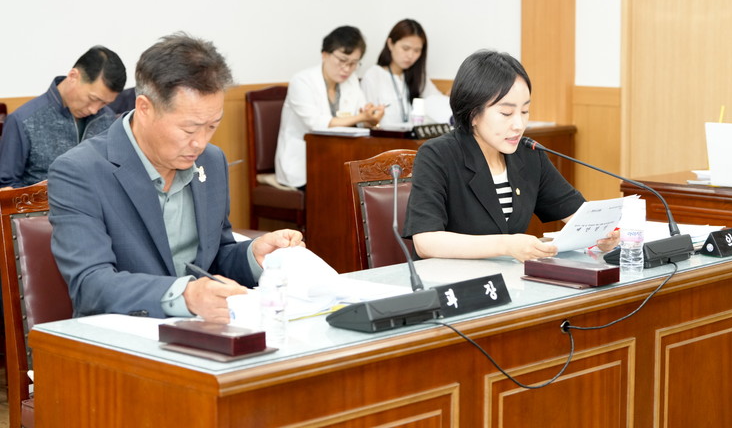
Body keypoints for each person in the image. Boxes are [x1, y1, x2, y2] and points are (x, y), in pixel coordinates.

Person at [49, 33, 304, 322]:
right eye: (189, 129)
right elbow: (91, 285)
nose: (200, 142)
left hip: (203, 330)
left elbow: (215, 257)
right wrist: (185, 296)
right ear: (145, 108)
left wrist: (253, 256)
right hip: (122, 335)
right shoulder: (79, 171)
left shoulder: (211, 161)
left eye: (212, 126)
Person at [403, 49, 619, 261]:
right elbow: (426, 242)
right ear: (473, 114)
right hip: (450, 280)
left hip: (509, 278)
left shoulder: (528, 154)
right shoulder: (437, 155)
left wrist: (602, 235)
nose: (519, 124)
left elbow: (578, 216)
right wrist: (505, 245)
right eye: (506, 113)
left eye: (524, 111)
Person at [275, 25, 385, 188]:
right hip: (303, 165)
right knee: (342, 190)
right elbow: (317, 124)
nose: (347, 68)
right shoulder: (302, 81)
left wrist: (371, 117)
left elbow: (362, 119)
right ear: (325, 54)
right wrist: (361, 117)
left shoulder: (351, 81)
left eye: (353, 63)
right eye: (342, 61)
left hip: (339, 160)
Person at [0, 46, 126, 188]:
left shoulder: (108, 120)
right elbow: (7, 185)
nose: (94, 109)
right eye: (92, 98)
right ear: (73, 76)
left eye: (104, 103)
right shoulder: (22, 120)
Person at [360, 19, 445, 127]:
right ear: (390, 44)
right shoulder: (373, 75)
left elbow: (438, 102)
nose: (410, 55)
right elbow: (366, 121)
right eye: (405, 48)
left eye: (417, 50)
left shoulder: (419, 77)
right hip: (383, 136)